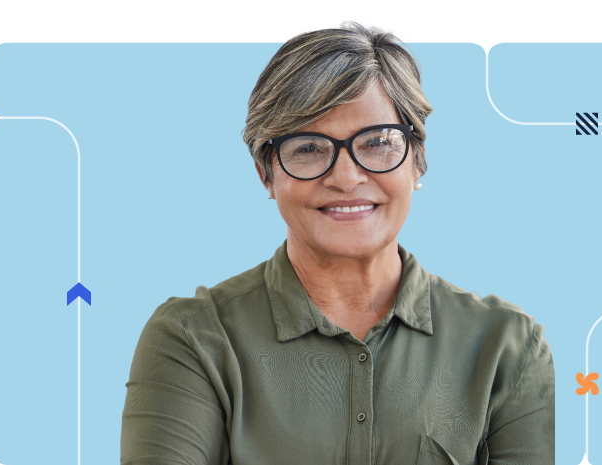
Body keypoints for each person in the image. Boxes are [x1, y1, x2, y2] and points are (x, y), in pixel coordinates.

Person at [120, 19, 555, 465]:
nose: (346, 178)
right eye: (308, 147)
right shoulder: (193, 340)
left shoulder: (509, 347)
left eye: (378, 142)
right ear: (265, 173)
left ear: (418, 161)